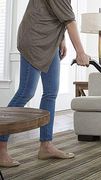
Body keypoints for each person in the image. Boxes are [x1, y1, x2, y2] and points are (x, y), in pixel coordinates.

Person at [0, 0, 90, 167]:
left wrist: (61, 39)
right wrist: (80, 51)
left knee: (51, 92)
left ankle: (46, 146)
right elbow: (70, 21)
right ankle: (0, 148)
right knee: (26, 92)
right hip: (34, 38)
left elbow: (58, 14)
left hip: (50, 40)